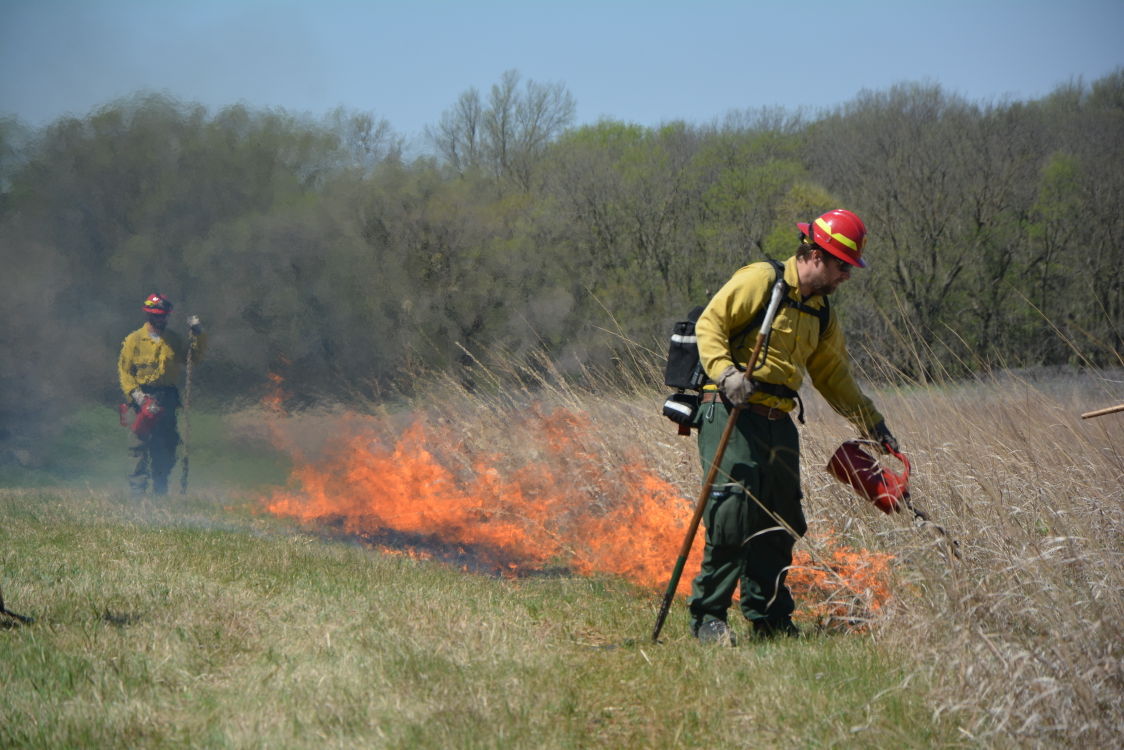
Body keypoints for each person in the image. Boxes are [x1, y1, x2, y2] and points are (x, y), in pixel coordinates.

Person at [687, 209, 898, 645]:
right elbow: (710, 324)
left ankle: (769, 619)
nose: (846, 276)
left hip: (777, 420)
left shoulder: (821, 312)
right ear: (817, 254)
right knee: (731, 515)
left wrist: (872, 423)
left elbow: (833, 375)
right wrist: (727, 375)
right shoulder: (761, 281)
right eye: (843, 265)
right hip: (730, 410)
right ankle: (709, 618)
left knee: (782, 519)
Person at [118, 293, 206, 496]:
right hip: (140, 399)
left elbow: (193, 358)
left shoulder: (173, 339)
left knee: (165, 447)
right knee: (137, 448)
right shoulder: (133, 340)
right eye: (155, 315)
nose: (160, 319)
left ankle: (160, 491)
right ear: (148, 315)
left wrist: (198, 334)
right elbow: (124, 372)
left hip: (166, 398)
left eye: (163, 315)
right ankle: (137, 495)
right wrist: (137, 395)